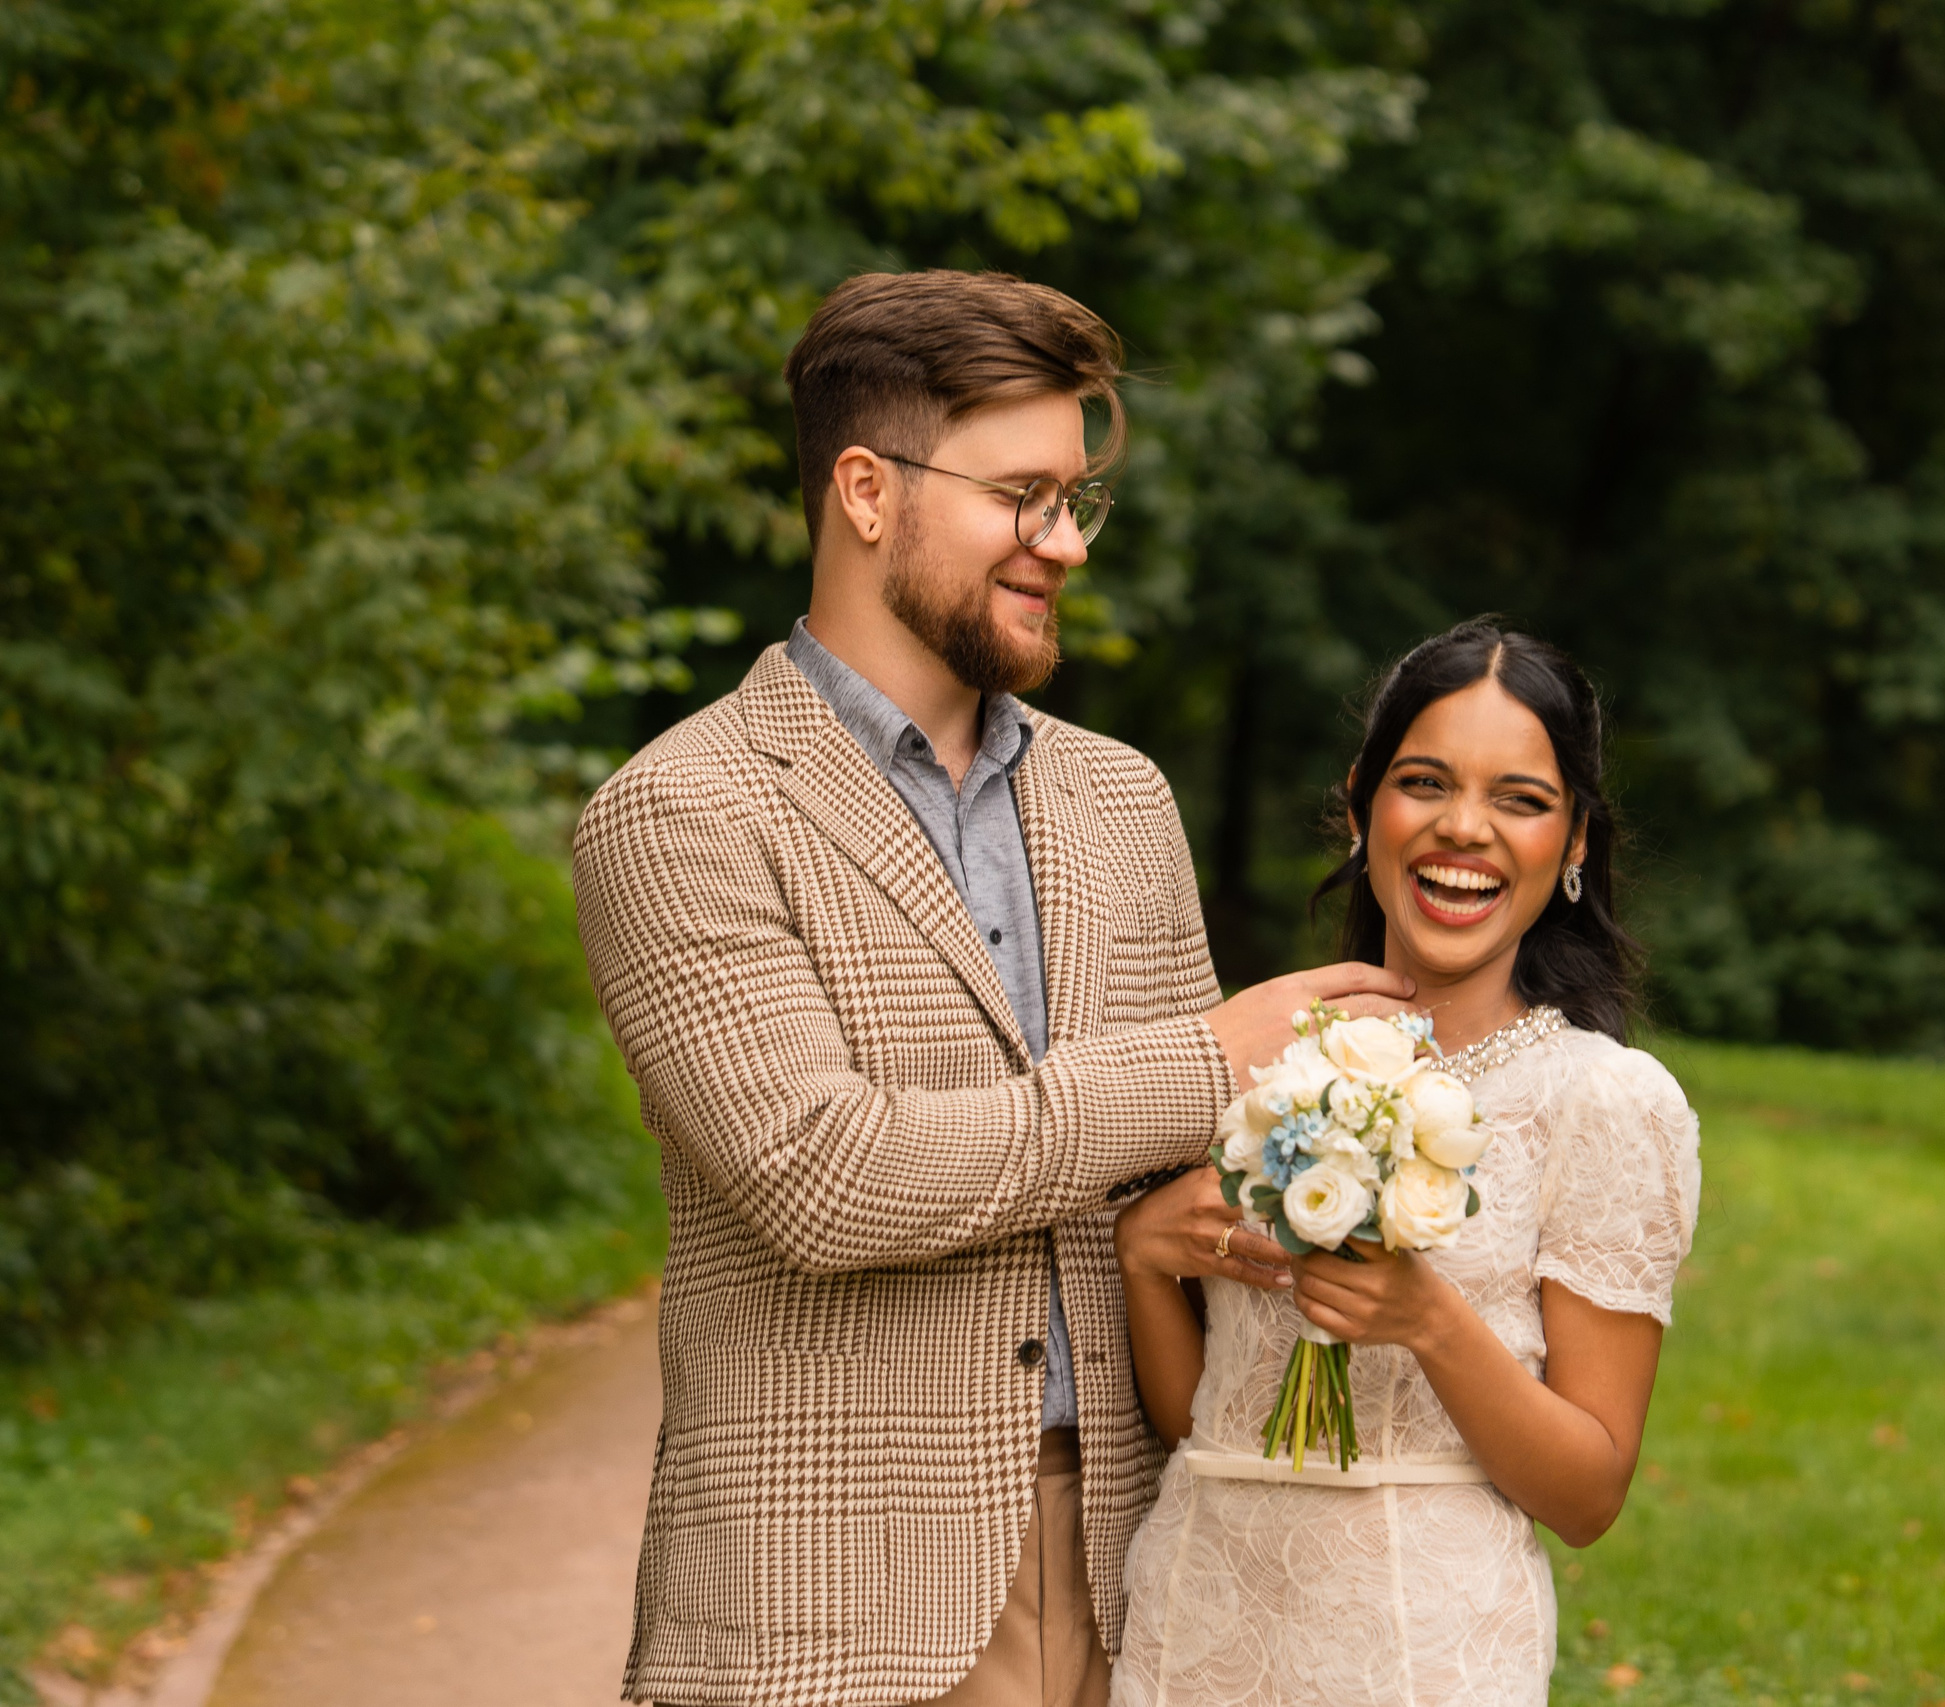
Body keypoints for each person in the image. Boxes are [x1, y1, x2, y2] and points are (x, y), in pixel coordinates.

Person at [571, 269, 1411, 1707]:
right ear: (866, 489)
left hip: (1144, 1576)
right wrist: (1205, 1057)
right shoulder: (680, 811)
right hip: (827, 1610)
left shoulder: (1122, 798)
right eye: (1024, 495)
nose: (1067, 542)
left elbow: (1187, 1195)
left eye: (1079, 499)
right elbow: (822, 1176)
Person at [1110, 620, 1703, 1707]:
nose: (1462, 829)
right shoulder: (1253, 1054)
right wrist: (1145, 1260)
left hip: (1417, 1647)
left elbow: (1587, 1495)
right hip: (1191, 1624)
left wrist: (1427, 1320)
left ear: (1573, 843)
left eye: (1521, 800)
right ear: (1358, 804)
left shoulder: (1605, 1102)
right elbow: (1203, 1416)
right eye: (1423, 782)